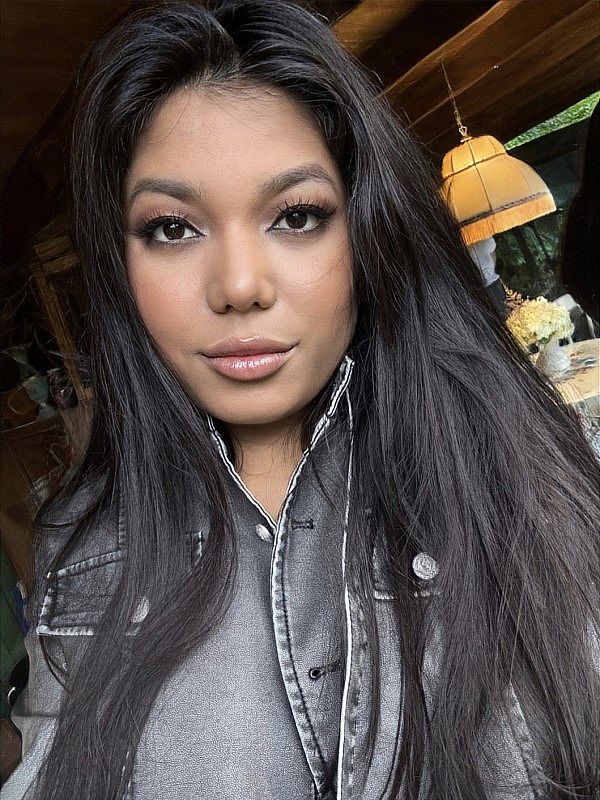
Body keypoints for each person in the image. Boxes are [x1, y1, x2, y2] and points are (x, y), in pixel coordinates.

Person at [2, 2, 599, 799]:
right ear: (121, 267)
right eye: (173, 229)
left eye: (296, 215)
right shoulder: (85, 546)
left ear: (369, 231)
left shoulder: (515, 464)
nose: (239, 285)